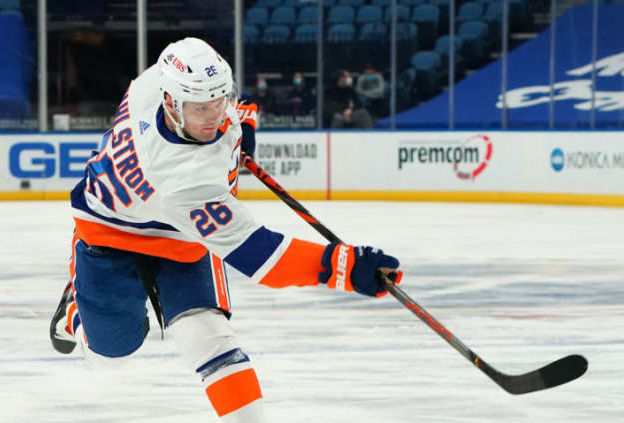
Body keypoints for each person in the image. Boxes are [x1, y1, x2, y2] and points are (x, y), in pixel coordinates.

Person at [48, 37, 402, 423]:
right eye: (202, 108)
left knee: (208, 336)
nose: (215, 115)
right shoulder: (181, 179)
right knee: (108, 354)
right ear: (170, 102)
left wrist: (239, 127)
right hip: (108, 235)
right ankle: (74, 313)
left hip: (183, 238)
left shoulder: (154, 83)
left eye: (221, 100)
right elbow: (264, 258)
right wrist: (343, 267)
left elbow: (215, 110)